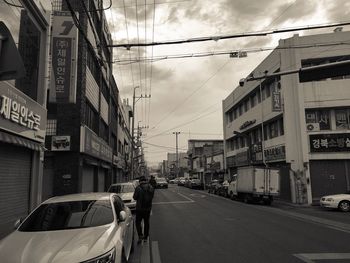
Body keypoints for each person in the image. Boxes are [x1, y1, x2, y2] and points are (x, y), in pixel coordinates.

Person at [133, 176, 155, 243]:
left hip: (139, 209)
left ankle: (140, 236)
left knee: (138, 222)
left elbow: (135, 197)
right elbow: (152, 197)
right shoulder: (151, 187)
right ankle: (145, 237)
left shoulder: (138, 188)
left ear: (140, 181)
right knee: (146, 222)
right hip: (148, 208)